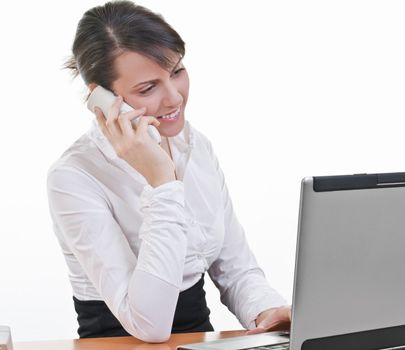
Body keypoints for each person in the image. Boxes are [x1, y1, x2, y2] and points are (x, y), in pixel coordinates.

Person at [47, 0, 290, 343]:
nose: (175, 98)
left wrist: (267, 310)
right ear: (100, 97)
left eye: (177, 71)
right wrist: (163, 182)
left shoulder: (196, 145)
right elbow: (150, 325)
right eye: (148, 88)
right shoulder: (73, 177)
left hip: (196, 343)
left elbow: (235, 269)